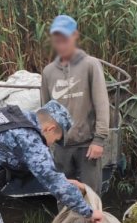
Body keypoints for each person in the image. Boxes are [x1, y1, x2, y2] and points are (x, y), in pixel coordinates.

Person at [40, 15, 111, 193]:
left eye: (65, 38)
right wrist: (46, 141)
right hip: (61, 148)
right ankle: (66, 222)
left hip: (87, 145)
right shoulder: (48, 72)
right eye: (57, 39)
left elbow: (102, 104)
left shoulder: (90, 65)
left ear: (75, 36)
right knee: (63, 196)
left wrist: (99, 140)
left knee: (91, 195)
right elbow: (46, 110)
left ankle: (92, 221)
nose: (61, 43)